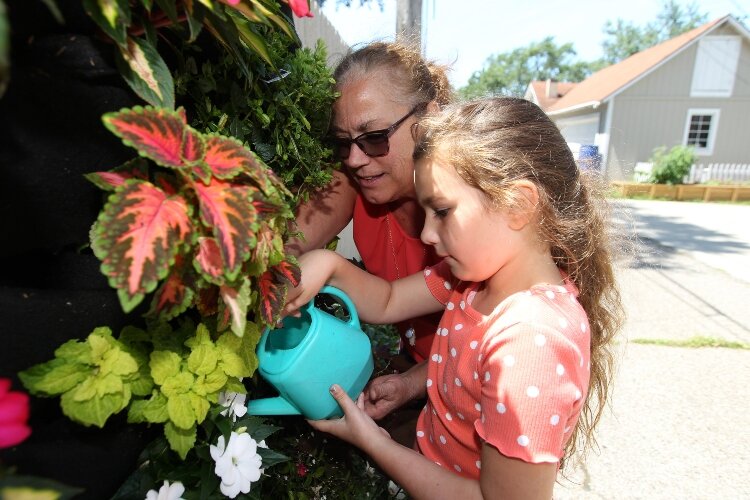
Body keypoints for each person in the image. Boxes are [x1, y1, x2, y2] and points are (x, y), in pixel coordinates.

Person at [283, 97, 624, 498]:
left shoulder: (532, 340)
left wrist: (374, 443)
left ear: (518, 204)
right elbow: (391, 299)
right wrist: (326, 263)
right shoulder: (474, 278)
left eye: (442, 211)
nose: (427, 234)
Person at [288, 40, 453, 365]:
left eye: (374, 137)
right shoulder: (359, 183)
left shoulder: (473, 210)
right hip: (412, 369)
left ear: (429, 119)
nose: (353, 159)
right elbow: (288, 246)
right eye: (342, 143)